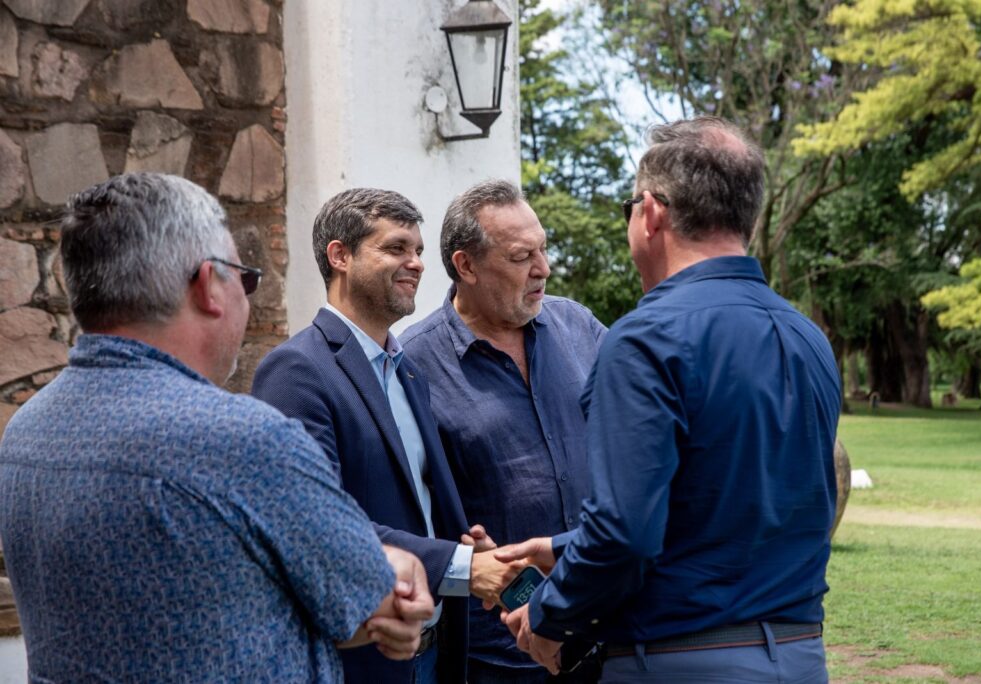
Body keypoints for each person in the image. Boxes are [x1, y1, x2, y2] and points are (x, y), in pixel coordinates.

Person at [0, 173, 433, 683]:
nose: (247, 299)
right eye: (245, 278)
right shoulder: (242, 440)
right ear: (208, 285)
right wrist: (399, 570)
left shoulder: (25, 430)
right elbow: (372, 598)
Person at [500, 117, 843, 682]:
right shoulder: (807, 337)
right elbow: (729, 504)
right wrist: (562, 547)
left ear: (652, 213)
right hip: (800, 653)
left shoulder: (646, 339)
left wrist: (546, 613)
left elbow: (626, 534)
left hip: (680, 659)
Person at [252, 188, 522, 684]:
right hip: (362, 659)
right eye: (396, 248)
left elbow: (419, 498)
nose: (417, 263)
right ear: (340, 256)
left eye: (418, 250)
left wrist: (469, 544)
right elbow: (316, 521)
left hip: (437, 652)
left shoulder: (407, 371)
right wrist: (463, 566)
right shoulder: (295, 371)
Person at [400, 179, 606, 683]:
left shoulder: (578, 327)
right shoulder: (413, 362)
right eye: (521, 257)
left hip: (606, 631)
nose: (543, 269)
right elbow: (406, 500)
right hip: (497, 652)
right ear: (465, 265)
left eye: (543, 249)